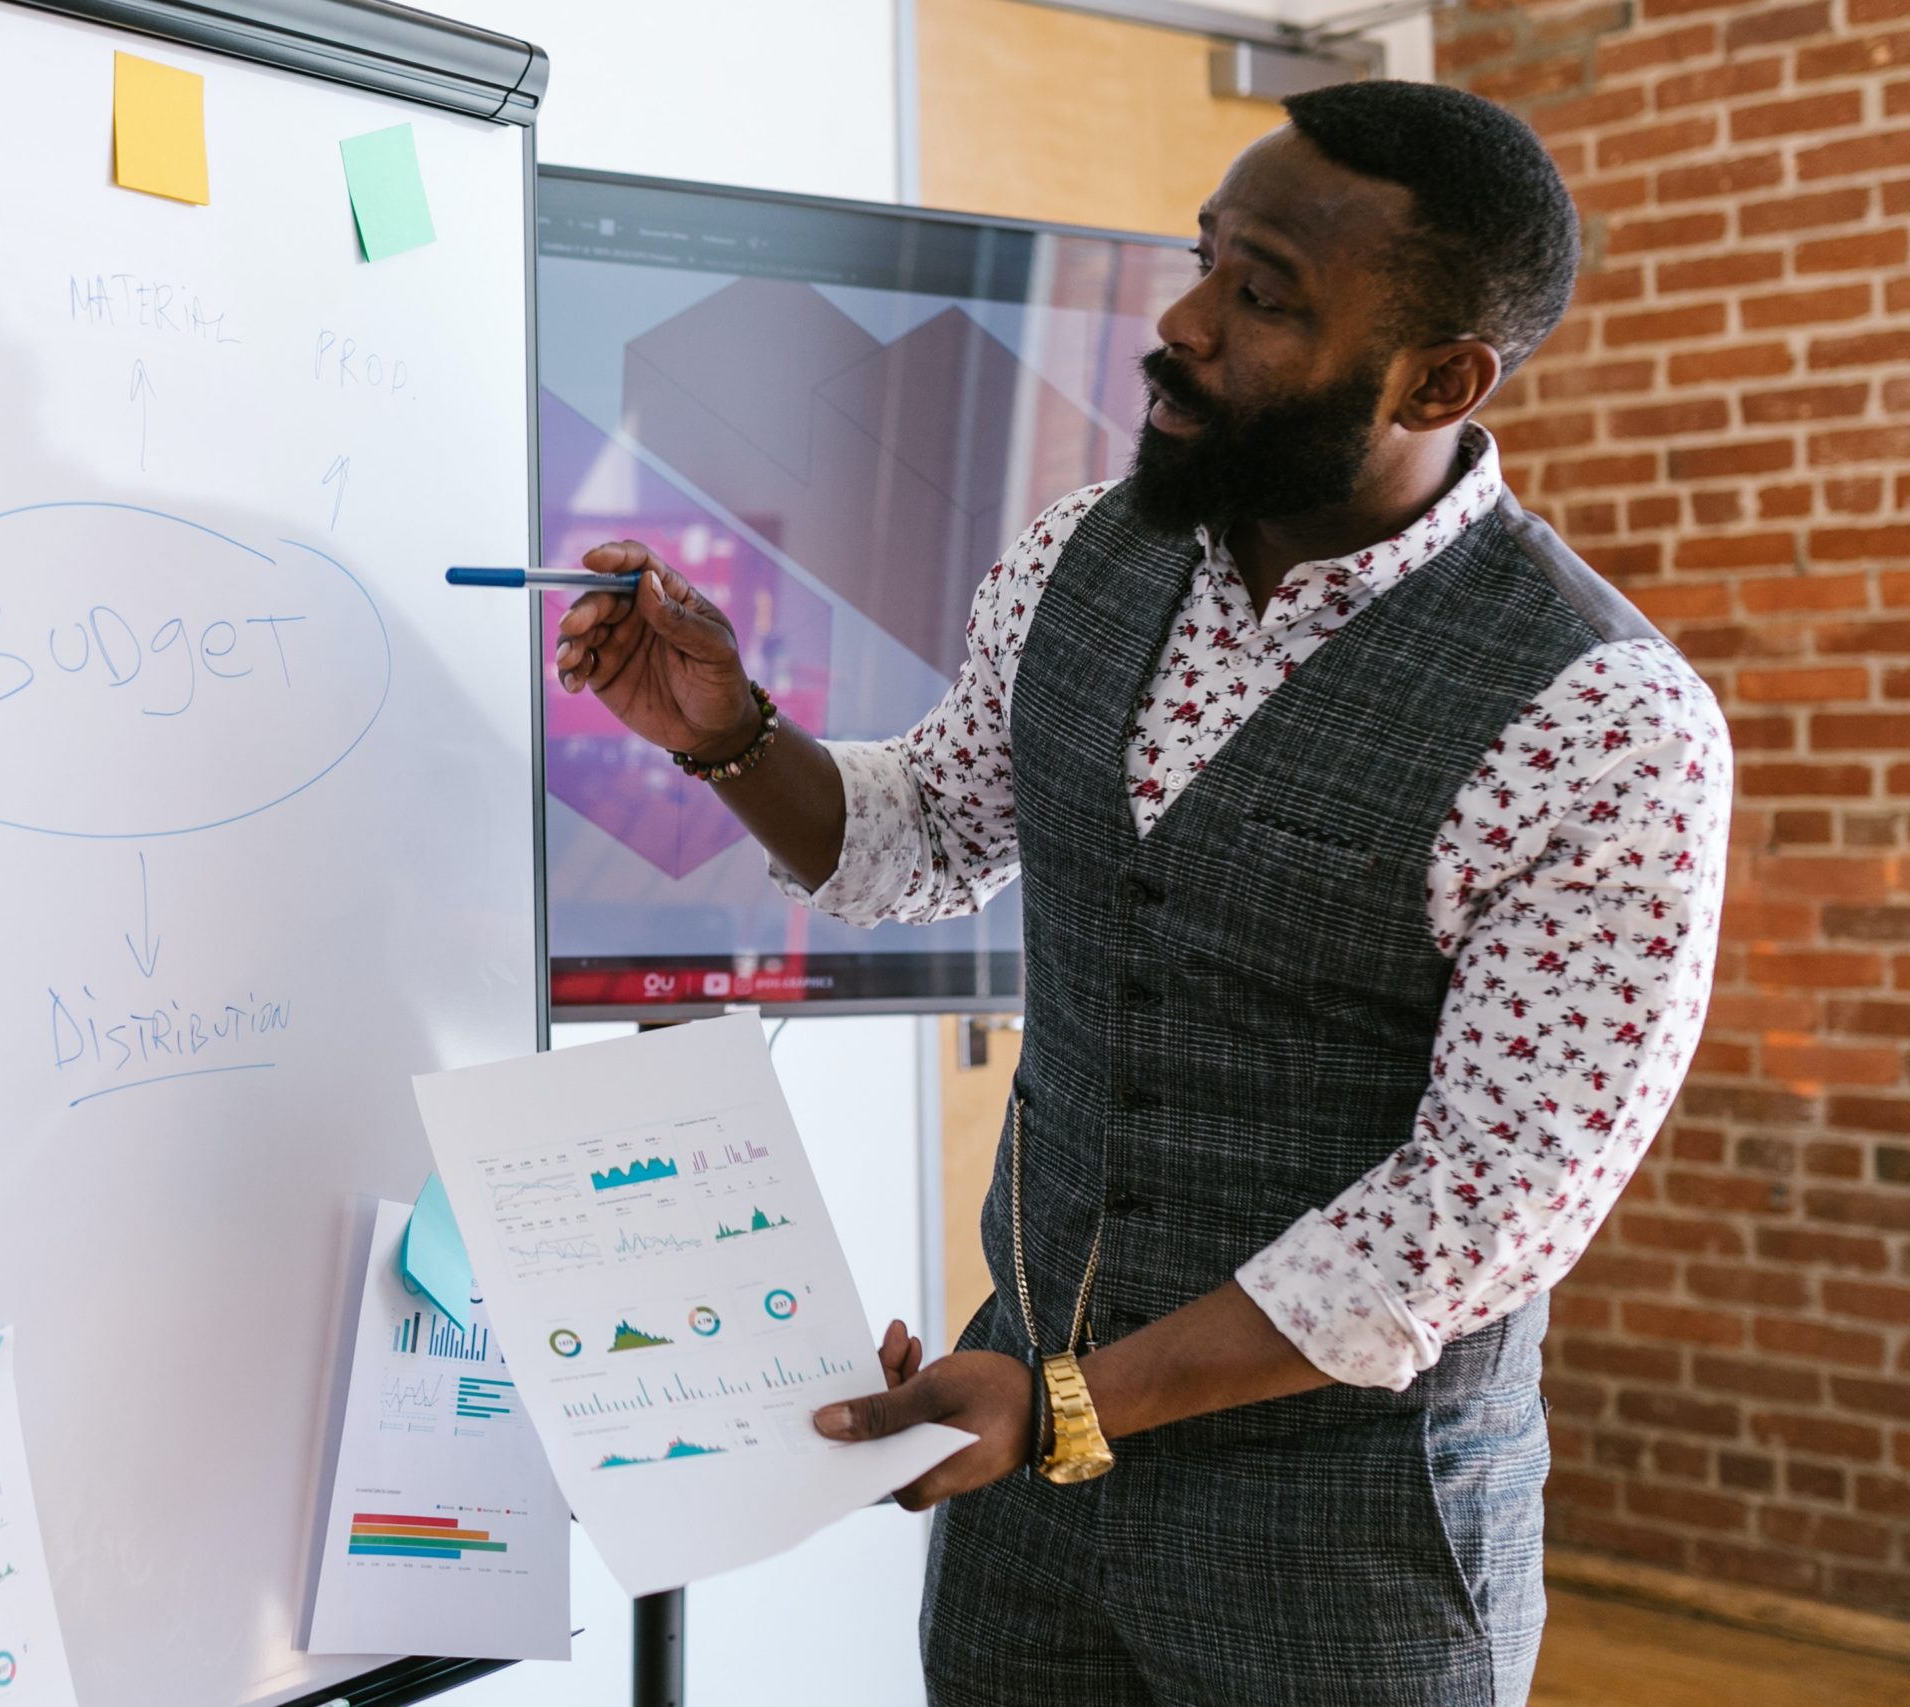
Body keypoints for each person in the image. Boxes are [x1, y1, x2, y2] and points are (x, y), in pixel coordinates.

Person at [550, 80, 1729, 1705]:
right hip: (1025, 1496)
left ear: (1443, 378)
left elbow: (1483, 1206)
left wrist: (1071, 1402)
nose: (1178, 326)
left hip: (1345, 1542)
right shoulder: (1079, 554)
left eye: (1263, 298)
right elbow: (934, 834)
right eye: (1206, 260)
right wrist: (729, 735)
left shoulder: (1600, 719)